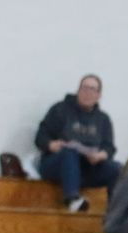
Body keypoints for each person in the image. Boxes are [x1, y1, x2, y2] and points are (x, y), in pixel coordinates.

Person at [35, 73, 121, 211]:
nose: (87, 93)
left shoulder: (103, 119)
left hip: (87, 167)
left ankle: (115, 211)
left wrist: (100, 156)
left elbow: (109, 147)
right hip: (58, 163)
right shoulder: (60, 110)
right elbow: (40, 137)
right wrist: (52, 145)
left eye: (92, 89)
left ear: (99, 95)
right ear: (78, 90)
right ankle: (71, 198)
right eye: (84, 88)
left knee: (116, 168)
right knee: (70, 152)